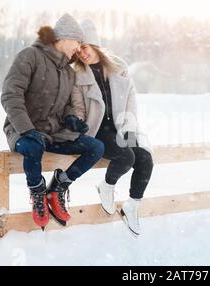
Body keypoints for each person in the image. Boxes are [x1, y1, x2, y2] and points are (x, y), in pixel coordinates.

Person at [1, 14, 105, 230]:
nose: (78, 49)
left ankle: (57, 188)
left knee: (95, 147)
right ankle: (37, 194)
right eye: (77, 43)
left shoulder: (67, 72)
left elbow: (66, 104)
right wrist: (27, 129)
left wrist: (71, 119)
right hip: (22, 130)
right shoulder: (30, 56)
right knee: (33, 145)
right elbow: (11, 95)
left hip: (52, 133)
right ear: (64, 38)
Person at [72, 19, 153, 235]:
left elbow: (131, 97)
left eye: (84, 47)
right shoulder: (77, 75)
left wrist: (129, 124)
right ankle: (107, 186)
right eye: (78, 50)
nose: (81, 53)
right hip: (97, 131)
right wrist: (78, 123)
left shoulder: (119, 67)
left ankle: (132, 206)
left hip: (120, 126)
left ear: (94, 44)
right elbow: (79, 107)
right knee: (126, 157)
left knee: (145, 160)